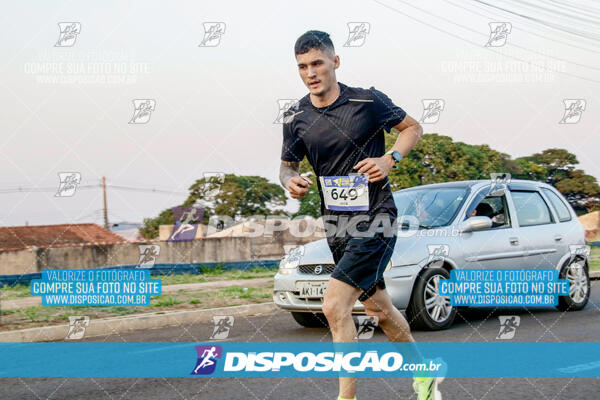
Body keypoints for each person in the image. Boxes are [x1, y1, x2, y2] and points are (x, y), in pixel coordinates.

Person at [279, 30, 444, 400]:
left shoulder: (366, 101)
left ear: (335, 62)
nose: (311, 73)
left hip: (376, 218)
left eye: (317, 63)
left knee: (334, 305)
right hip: (337, 224)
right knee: (380, 310)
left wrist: (390, 159)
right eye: (302, 67)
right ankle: (424, 374)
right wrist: (291, 181)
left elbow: (412, 127)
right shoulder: (295, 117)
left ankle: (346, 397)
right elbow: (286, 166)